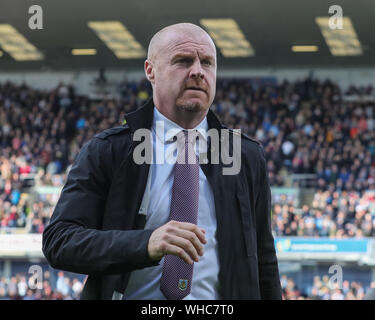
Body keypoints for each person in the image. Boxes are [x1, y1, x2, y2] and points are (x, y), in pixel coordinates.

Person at [42, 22, 282, 300]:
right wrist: (145, 243)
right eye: (183, 61)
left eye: (207, 62)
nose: (197, 71)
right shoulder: (108, 150)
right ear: (150, 71)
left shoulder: (245, 155)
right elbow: (60, 241)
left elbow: (264, 257)